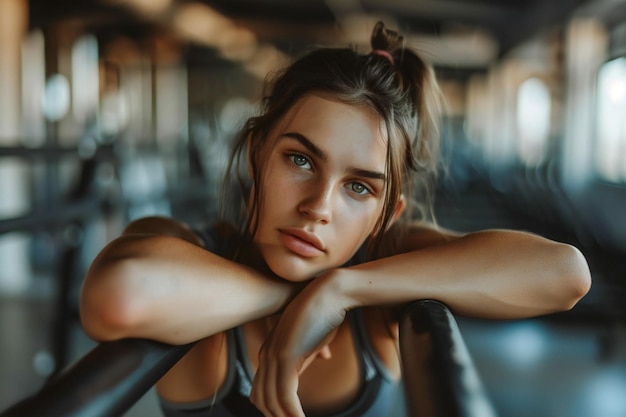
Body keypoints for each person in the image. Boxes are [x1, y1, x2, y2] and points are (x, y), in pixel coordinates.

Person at [79, 21, 591, 417]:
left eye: (358, 186)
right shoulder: (194, 252)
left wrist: (343, 290)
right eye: (300, 160)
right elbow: (118, 291)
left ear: (383, 215)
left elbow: (565, 274)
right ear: (258, 154)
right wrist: (297, 297)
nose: (318, 207)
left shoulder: (383, 265)